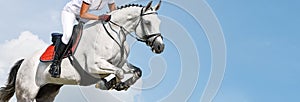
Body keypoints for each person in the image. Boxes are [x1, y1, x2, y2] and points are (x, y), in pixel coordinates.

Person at [49, 0, 116, 78]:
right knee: (67, 35)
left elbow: (114, 11)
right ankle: (55, 64)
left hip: (83, 15)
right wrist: (99, 17)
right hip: (70, 12)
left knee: (97, 29)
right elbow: (83, 14)